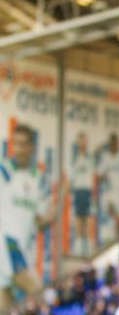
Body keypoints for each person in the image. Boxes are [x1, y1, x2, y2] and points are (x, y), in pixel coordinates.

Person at [0, 124, 55, 312]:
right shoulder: (3, 172)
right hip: (7, 248)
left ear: (32, 147)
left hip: (23, 250)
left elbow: (39, 223)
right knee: (40, 295)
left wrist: (52, 214)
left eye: (24, 144)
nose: (19, 149)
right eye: (16, 144)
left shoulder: (38, 179)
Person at [97, 133, 119, 241]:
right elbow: (99, 175)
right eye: (112, 143)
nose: (114, 145)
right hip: (111, 194)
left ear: (118, 144)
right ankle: (117, 242)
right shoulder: (105, 157)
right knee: (116, 219)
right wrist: (104, 177)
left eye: (115, 143)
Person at [69, 132, 95, 256]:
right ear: (78, 143)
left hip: (88, 191)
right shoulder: (74, 158)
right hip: (78, 191)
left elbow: (94, 175)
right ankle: (79, 248)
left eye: (84, 141)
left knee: (88, 219)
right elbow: (71, 176)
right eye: (80, 141)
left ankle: (88, 248)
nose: (83, 143)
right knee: (79, 219)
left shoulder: (91, 158)